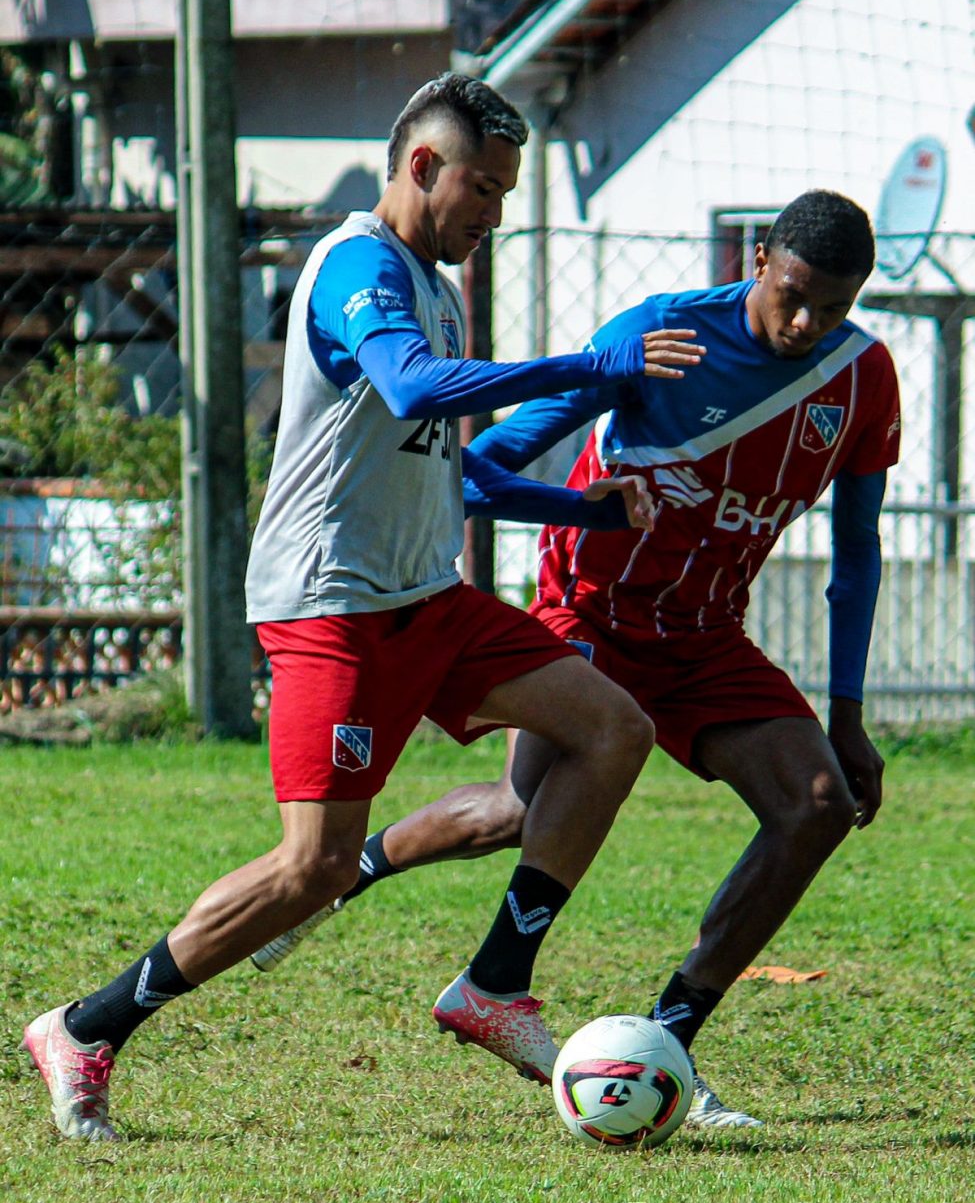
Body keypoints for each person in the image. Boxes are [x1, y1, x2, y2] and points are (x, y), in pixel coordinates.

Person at [22, 72, 709, 1141]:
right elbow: (416, 389)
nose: (492, 213)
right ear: (423, 167)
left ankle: (494, 984)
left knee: (612, 726)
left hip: (429, 597)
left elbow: (454, 473)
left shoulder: (437, 286)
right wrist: (587, 363)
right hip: (331, 607)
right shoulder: (357, 270)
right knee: (314, 869)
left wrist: (577, 508)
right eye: (481, 188)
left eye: (505, 194)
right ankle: (86, 1025)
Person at [250, 189, 901, 1130]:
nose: (806, 323)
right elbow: (472, 471)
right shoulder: (664, 334)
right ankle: (378, 898)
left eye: (832, 307)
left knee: (815, 807)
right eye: (792, 294)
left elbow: (859, 549)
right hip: (591, 608)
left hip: (706, 633)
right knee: (523, 809)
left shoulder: (859, 376)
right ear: (757, 258)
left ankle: (665, 1045)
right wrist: (588, 507)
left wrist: (845, 715)